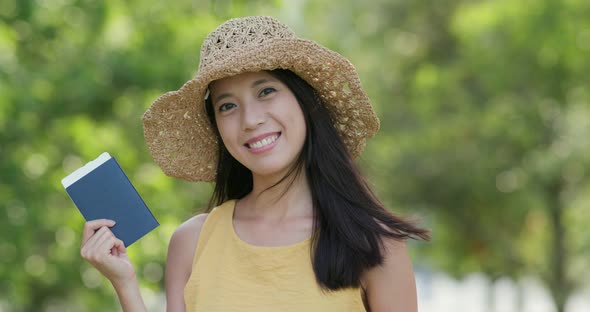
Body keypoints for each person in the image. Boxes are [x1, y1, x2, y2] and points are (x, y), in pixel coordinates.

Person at [80, 16, 430, 311]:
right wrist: (125, 285)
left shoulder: (374, 246)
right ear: (216, 126)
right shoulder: (192, 242)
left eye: (266, 92)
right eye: (227, 106)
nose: (250, 120)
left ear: (305, 102)